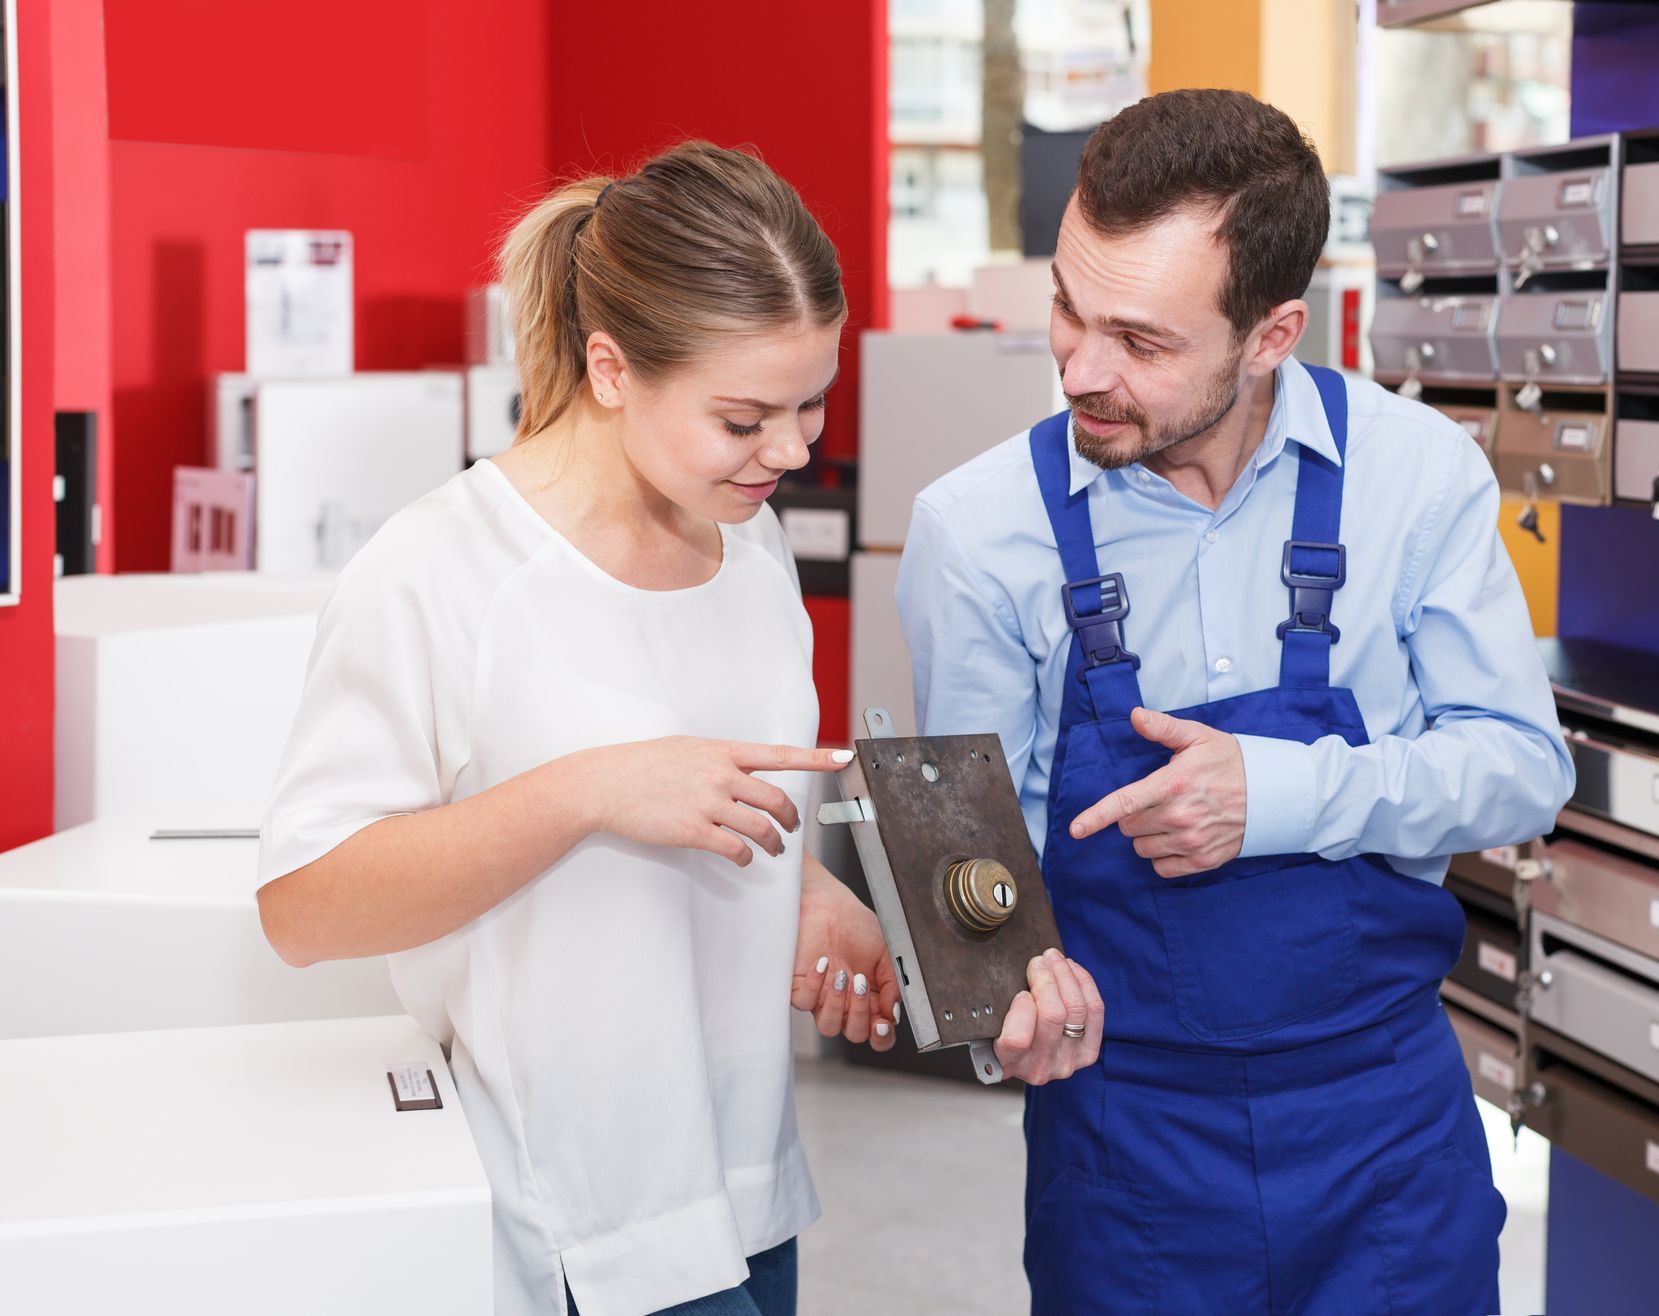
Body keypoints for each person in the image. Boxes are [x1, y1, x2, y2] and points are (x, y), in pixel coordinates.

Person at [255, 143, 1096, 1316]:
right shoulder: (440, 571)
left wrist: (809, 895)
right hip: (571, 1221)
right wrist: (590, 788)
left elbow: (699, 801)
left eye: (811, 404)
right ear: (610, 368)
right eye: (744, 417)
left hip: (744, 1184)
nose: (792, 450)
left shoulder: (749, 544)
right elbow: (303, 906)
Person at [897, 90, 1576, 1314]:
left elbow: (1525, 766)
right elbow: (971, 871)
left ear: (1272, 335)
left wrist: (1283, 791)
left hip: (1386, 1132)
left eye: (1140, 340)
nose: (1081, 369)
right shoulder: (974, 532)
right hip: (1128, 1147)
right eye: (1068, 307)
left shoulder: (1417, 475)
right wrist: (1000, 992)